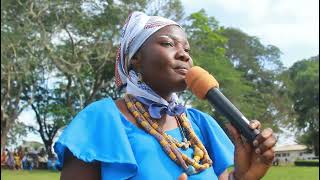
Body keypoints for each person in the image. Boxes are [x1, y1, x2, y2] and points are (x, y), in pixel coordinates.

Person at [54, 11, 276, 180]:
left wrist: (241, 176)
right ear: (136, 58)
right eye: (168, 44)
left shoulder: (201, 124)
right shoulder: (100, 120)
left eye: (187, 50)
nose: (183, 54)